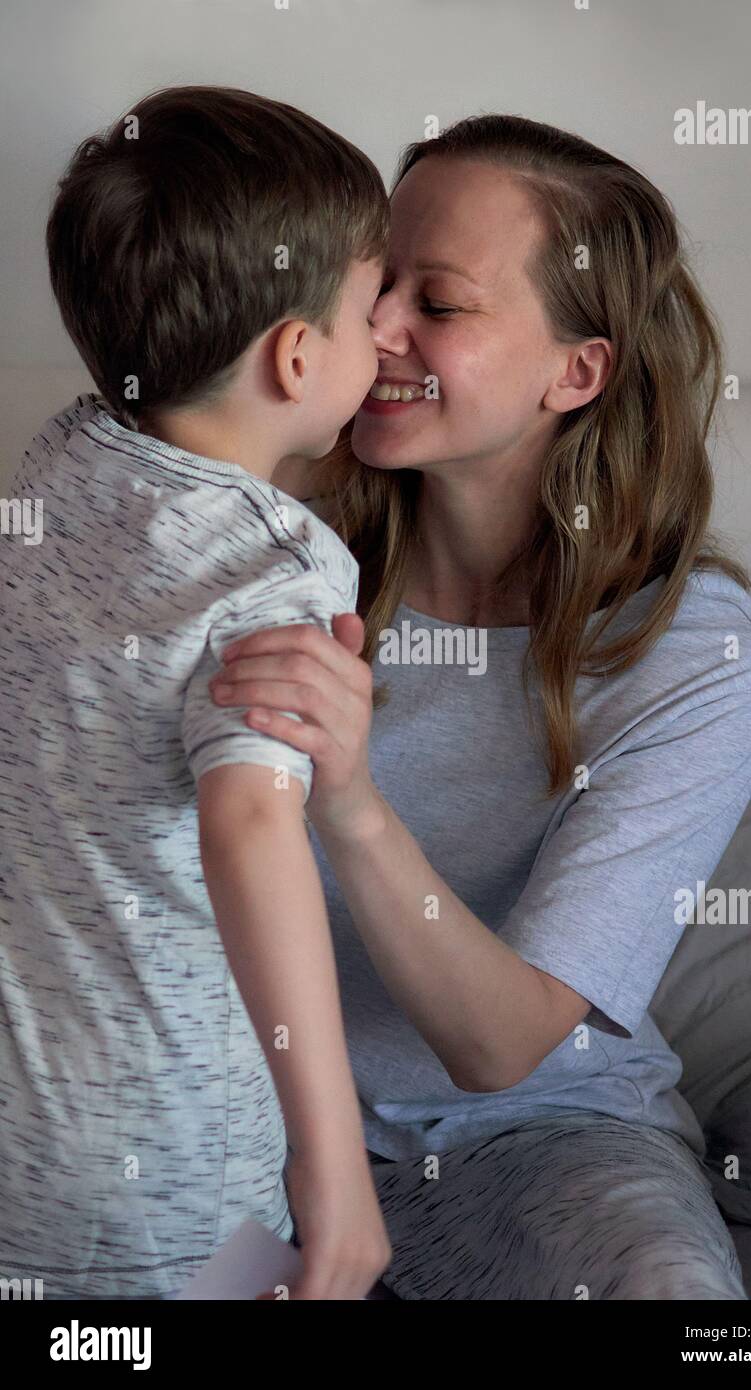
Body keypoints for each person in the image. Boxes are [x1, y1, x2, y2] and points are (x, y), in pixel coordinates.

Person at [210, 114, 751, 1300]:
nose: (373, 328)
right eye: (377, 283)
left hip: (540, 1138)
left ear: (574, 372)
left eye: (441, 301)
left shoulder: (694, 655)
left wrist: (354, 800)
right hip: (250, 1123)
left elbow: (500, 1045)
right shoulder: (266, 552)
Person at [0, 85, 392, 1300]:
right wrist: (335, 1172)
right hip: (167, 1161)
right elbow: (254, 818)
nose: (389, 345)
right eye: (376, 312)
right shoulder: (272, 565)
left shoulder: (54, 465)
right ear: (294, 354)